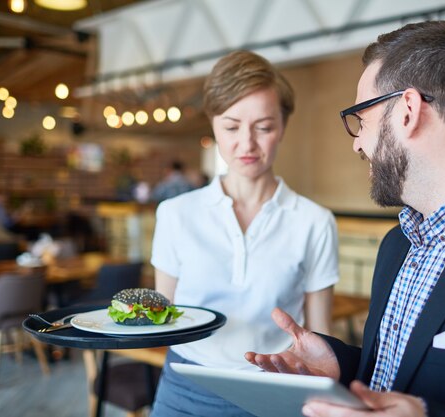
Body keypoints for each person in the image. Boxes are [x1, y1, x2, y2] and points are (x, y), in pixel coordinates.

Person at [245, 21, 445, 417]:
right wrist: (340, 363)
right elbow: (401, 370)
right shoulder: (396, 245)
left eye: (361, 119)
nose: (357, 142)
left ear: (407, 111)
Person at [150, 50, 339, 416]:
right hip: (186, 385)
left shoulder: (314, 222)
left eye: (263, 127)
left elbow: (320, 336)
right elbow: (163, 318)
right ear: (214, 125)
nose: (247, 144)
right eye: (231, 127)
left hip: (273, 388)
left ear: (283, 126)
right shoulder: (175, 214)